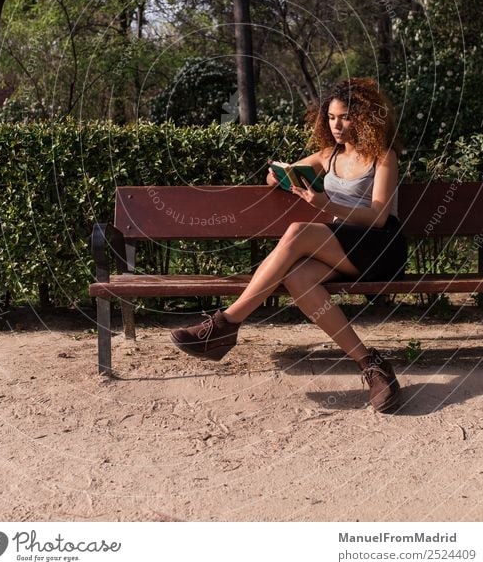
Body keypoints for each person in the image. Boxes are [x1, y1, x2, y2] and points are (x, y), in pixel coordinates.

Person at [170, 77, 408, 413]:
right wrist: (281, 175)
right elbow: (274, 175)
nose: (336, 125)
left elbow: (379, 217)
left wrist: (325, 205)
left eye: (345, 117)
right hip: (346, 247)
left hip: (382, 247)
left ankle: (225, 325)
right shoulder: (329, 155)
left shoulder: (383, 157)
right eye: (331, 118)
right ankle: (371, 365)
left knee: (298, 230)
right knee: (297, 277)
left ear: (364, 117)